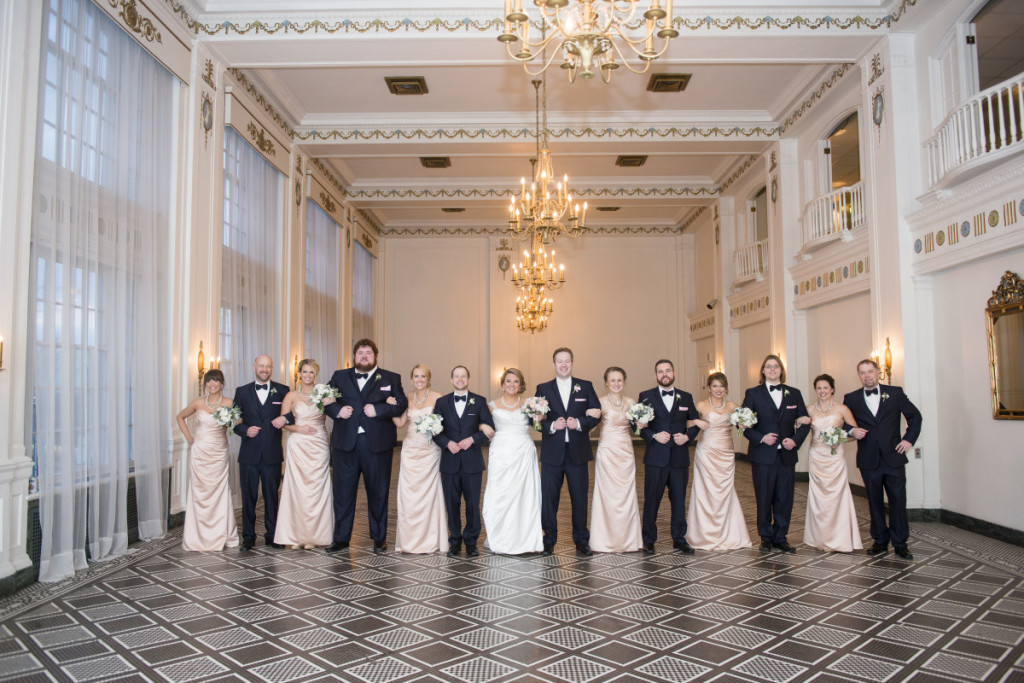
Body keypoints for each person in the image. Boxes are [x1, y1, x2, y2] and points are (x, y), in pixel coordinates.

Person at [323, 339, 408, 554]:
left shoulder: (391, 377)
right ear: (354, 356)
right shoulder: (339, 376)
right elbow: (324, 399)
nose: (364, 356)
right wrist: (336, 411)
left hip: (378, 446)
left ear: (375, 356)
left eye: (368, 352)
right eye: (360, 352)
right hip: (345, 444)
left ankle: (379, 538)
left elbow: (401, 404)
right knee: (342, 493)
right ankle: (341, 538)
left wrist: (379, 410)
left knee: (378, 492)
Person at [843, 359, 922, 560]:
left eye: (870, 371)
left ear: (878, 372)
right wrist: (852, 430)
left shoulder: (895, 393)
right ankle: (879, 540)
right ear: (858, 375)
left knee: (898, 501)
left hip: (893, 457)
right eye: (862, 372)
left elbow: (915, 417)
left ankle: (900, 543)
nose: (867, 375)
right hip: (868, 459)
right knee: (874, 501)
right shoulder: (851, 398)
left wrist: (908, 440)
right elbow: (841, 423)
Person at [741, 354, 811, 554]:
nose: (772, 369)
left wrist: (795, 441)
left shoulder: (794, 394)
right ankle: (765, 536)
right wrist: (762, 438)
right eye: (768, 366)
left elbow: (805, 422)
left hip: (786, 456)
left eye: (776, 366)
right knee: (763, 497)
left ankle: (781, 537)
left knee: (784, 498)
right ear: (763, 371)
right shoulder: (753, 394)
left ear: (781, 370)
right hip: (763, 455)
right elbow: (744, 426)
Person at [535, 347, 601, 556]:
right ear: (553, 364)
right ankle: (549, 540)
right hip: (552, 454)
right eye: (559, 361)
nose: (563, 365)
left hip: (578, 453)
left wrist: (580, 423)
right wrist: (552, 425)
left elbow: (597, 414)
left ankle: (581, 541)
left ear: (572, 363)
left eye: (567, 361)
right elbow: (534, 419)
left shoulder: (586, 386)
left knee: (580, 498)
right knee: (549, 500)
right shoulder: (543, 388)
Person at [639, 359, 703, 555]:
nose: (664, 374)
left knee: (678, 499)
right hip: (655, 458)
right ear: (656, 375)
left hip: (679, 458)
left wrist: (688, 437)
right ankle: (648, 538)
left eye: (667, 371)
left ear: (674, 373)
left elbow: (695, 422)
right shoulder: (646, 396)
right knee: (652, 499)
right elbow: (639, 427)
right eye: (660, 371)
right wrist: (653, 436)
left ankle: (679, 538)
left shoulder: (686, 397)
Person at [432, 366, 495, 557]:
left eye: (463, 376)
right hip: (450, 461)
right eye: (456, 376)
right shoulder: (441, 402)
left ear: (469, 379)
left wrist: (473, 439)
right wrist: (446, 443)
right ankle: (454, 542)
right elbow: (434, 430)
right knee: (452, 504)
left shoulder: (480, 401)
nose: (460, 379)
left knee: (472, 504)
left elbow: (489, 428)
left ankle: (471, 542)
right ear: (451, 380)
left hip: (472, 462)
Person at [686, 372, 751, 551]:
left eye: (721, 386)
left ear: (726, 388)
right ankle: (703, 533)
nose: (718, 389)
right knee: (705, 490)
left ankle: (728, 533)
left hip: (726, 453)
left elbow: (742, 425)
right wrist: (696, 423)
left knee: (724, 491)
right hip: (706, 452)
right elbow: (686, 422)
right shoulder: (700, 405)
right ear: (708, 388)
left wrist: (744, 425)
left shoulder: (733, 406)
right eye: (715, 386)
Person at [798, 374, 863, 553]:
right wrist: (798, 421)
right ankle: (820, 537)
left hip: (834, 457)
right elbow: (799, 428)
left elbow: (854, 433)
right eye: (819, 388)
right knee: (819, 498)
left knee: (837, 496)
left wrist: (840, 438)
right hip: (816, 455)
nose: (822, 391)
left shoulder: (842, 409)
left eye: (825, 388)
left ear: (832, 389)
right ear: (815, 390)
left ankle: (839, 538)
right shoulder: (809, 409)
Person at [482, 368, 544, 555]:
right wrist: (482, 424)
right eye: (508, 381)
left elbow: (539, 424)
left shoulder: (530, 403)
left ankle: (525, 537)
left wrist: (540, 418)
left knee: (525, 494)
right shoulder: (491, 405)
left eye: (516, 381)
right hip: (500, 453)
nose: (512, 384)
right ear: (502, 384)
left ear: (521, 385)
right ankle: (501, 536)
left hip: (523, 452)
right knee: (502, 493)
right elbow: (477, 421)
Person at [176, 370, 239, 551]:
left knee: (219, 492)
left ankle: (220, 533)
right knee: (199, 493)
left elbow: (238, 422)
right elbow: (180, 417)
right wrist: (189, 437)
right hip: (200, 452)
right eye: (209, 381)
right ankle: (197, 536)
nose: (212, 384)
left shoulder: (229, 403)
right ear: (205, 384)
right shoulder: (198, 403)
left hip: (219, 453)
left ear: (222, 383)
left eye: (216, 381)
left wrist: (229, 423)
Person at [232, 355, 289, 551]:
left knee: (272, 496)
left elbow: (293, 412)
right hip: (248, 453)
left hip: (272, 454)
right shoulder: (242, 392)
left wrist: (286, 419)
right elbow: (235, 422)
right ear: (254, 366)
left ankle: (273, 535)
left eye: (268, 366)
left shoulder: (283, 390)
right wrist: (245, 430)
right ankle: (248, 536)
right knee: (248, 497)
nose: (264, 369)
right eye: (261, 366)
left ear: (272, 368)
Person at [274, 359, 334, 549]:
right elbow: (284, 422)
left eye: (311, 373)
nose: (308, 376)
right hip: (298, 444)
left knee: (317, 487)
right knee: (298, 488)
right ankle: (297, 535)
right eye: (305, 372)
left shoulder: (323, 393)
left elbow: (325, 417)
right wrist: (299, 429)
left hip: (318, 443)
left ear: (316, 375)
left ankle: (316, 535)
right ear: (299, 373)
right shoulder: (291, 396)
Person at [392, 364, 448, 554]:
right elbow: (400, 423)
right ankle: (409, 539)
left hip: (429, 451)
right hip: (409, 450)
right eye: (416, 376)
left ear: (428, 379)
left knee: (429, 494)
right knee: (409, 495)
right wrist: (391, 408)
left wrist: (436, 428)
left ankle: (431, 538)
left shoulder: (438, 397)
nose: (419, 380)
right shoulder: (407, 397)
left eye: (422, 376)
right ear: (412, 378)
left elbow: (444, 424)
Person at [589, 367, 643, 553]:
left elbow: (637, 429)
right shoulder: (600, 402)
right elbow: (591, 427)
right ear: (606, 383)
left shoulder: (631, 402)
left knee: (625, 494)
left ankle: (628, 539)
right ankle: (604, 539)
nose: (616, 384)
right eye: (612, 380)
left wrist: (641, 425)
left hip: (626, 453)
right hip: (607, 452)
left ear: (624, 381)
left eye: (619, 380)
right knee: (607, 494)